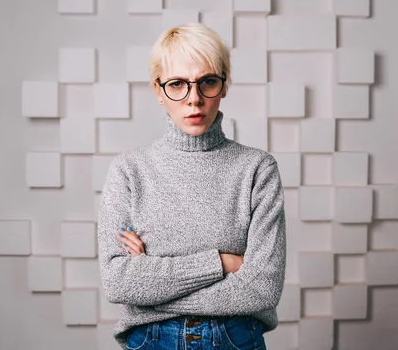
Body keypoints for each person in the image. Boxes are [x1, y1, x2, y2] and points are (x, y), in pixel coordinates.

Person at [97, 22, 287, 350]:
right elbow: (118, 282)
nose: (194, 99)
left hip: (234, 340)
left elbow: (262, 288)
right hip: (152, 342)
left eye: (207, 82)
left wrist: (151, 295)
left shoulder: (258, 169)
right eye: (177, 84)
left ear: (224, 85)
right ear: (158, 90)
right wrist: (222, 263)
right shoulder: (129, 171)